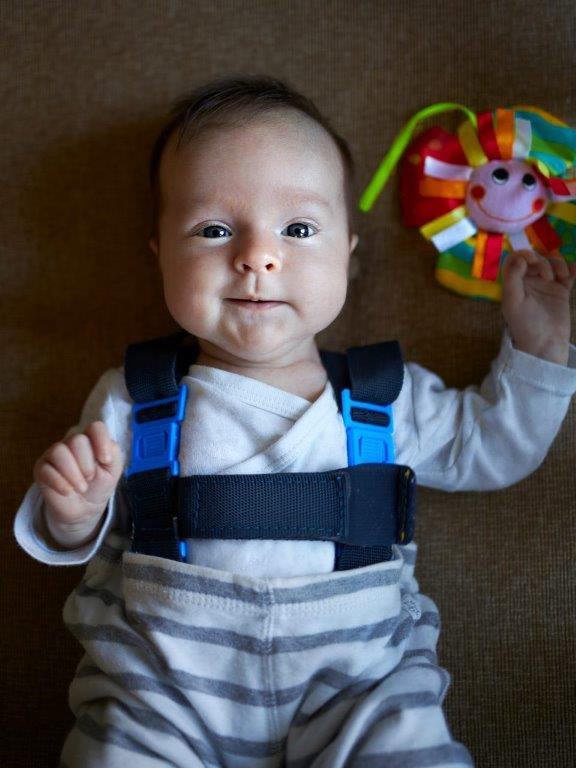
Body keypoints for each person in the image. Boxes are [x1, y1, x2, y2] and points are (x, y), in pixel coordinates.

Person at [14, 75, 576, 768]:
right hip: (162, 695)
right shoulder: (136, 394)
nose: (258, 255)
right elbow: (69, 530)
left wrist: (539, 350)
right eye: (214, 229)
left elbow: (491, 450)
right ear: (159, 252)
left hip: (361, 692)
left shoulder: (381, 394)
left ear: (347, 253)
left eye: (299, 229)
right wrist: (73, 512)